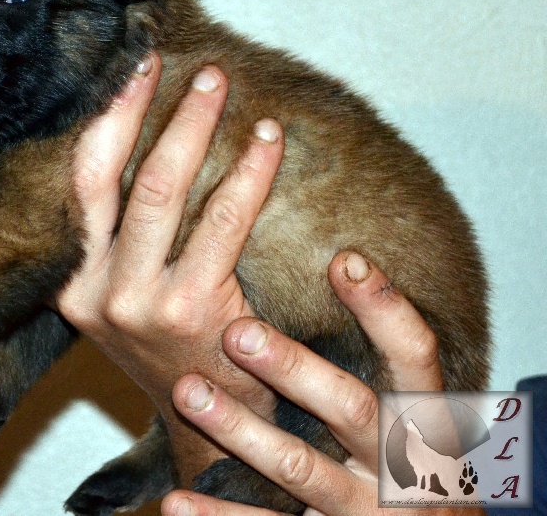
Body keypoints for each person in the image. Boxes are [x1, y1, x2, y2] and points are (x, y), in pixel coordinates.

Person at [55, 53, 486, 515]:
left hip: (384, 360)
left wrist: (208, 407)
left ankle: (179, 457)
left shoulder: (504, 456)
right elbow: (469, 484)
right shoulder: (512, 453)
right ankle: (168, 453)